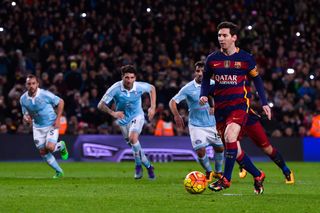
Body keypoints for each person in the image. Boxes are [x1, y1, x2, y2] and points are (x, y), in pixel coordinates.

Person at [200, 21, 271, 194]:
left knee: (230, 135)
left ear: (234, 37)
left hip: (239, 106)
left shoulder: (245, 58)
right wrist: (203, 94)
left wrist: (264, 102)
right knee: (235, 151)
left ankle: (226, 179)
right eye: (219, 35)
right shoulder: (212, 59)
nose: (221, 39)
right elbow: (205, 79)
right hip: (220, 109)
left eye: (224, 35)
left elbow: (257, 80)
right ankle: (258, 174)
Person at [97, 65, 156, 180]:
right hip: (123, 121)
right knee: (136, 147)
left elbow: (152, 88)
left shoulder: (139, 86)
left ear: (135, 78)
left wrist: (152, 107)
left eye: (132, 78)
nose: (129, 80)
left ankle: (138, 166)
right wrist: (113, 113)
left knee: (133, 138)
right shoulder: (115, 88)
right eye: (127, 78)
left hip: (137, 115)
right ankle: (149, 166)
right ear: (122, 77)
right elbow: (100, 105)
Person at [169, 61, 224, 182]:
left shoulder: (214, 84)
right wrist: (177, 115)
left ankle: (219, 172)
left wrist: (215, 107)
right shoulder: (188, 88)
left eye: (203, 71)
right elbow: (172, 102)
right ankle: (209, 171)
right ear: (195, 72)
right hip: (196, 125)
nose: (200, 73)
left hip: (213, 124)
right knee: (200, 150)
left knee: (220, 148)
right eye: (198, 71)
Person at [20, 74, 68, 178]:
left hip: (51, 123)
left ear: (37, 84)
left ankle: (61, 146)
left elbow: (60, 102)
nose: (31, 86)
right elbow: (25, 114)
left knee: (50, 147)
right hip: (37, 127)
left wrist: (58, 119)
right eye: (29, 84)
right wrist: (26, 118)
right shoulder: (23, 99)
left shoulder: (45, 94)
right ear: (26, 85)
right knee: (43, 152)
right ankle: (59, 172)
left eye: (33, 83)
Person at [238, 112, 295, 184]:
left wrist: (264, 103)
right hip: (231, 118)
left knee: (267, 149)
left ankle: (286, 170)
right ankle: (244, 168)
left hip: (248, 118)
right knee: (232, 143)